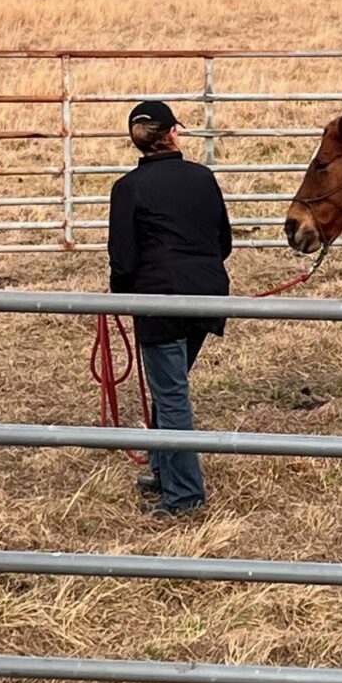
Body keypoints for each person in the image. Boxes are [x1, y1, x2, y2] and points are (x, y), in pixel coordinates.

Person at [107, 100, 232, 519]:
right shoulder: (202, 178)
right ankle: (164, 470)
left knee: (171, 393)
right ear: (173, 133)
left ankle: (184, 498)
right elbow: (223, 242)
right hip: (207, 294)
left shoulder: (128, 188)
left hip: (159, 297)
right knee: (169, 387)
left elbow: (123, 259)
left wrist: (121, 295)